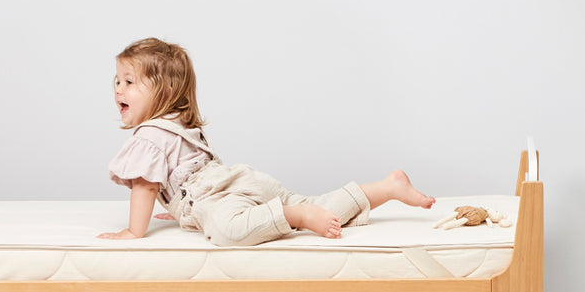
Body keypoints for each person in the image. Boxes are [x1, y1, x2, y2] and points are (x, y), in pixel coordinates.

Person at [98, 38, 435, 245]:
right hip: (242, 181)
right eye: (117, 81)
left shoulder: (150, 135)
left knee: (228, 231)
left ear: (166, 92)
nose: (118, 90)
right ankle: (387, 187)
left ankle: (295, 215)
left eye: (129, 82)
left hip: (217, 195)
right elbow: (188, 174)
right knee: (322, 205)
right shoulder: (177, 125)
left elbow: (145, 186)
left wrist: (133, 232)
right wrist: (183, 212)